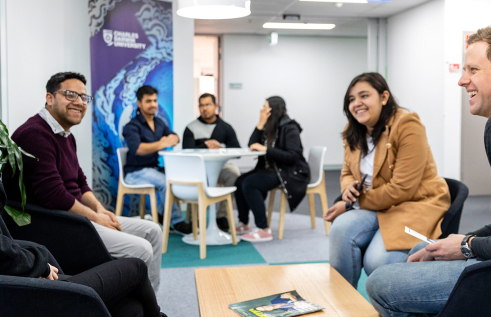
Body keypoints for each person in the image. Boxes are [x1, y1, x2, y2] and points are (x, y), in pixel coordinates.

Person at [365, 26, 491, 317]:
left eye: (473, 69)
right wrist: (463, 239)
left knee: (380, 282)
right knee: (423, 249)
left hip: (407, 207)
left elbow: (399, 189)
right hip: (385, 207)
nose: (461, 80)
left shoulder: (407, 125)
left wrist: (467, 245)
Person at [2, 72, 163, 292]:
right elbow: (54, 194)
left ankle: (150, 304)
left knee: (153, 231)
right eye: (70, 95)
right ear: (50, 98)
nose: (79, 102)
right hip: (61, 223)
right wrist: (95, 217)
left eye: (84, 97)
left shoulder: (66, 134)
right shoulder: (34, 134)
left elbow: (80, 181)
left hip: (79, 216)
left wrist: (100, 210)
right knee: (142, 248)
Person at [324, 72, 451, 288]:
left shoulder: (407, 124)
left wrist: (350, 204)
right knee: (340, 230)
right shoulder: (352, 130)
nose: (357, 104)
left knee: (378, 261)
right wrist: (348, 189)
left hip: (412, 204)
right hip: (378, 206)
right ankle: (342, 304)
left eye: (364, 96)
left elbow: (402, 190)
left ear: (384, 97)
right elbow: (347, 172)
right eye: (351, 99)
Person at [0, 180, 164, 317]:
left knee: (132, 308)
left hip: (24, 277)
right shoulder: (34, 141)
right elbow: (54, 194)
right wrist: (38, 264)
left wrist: (37, 256)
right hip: (19, 288)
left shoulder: (67, 139)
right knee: (137, 266)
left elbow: (81, 181)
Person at [234, 96, 310, 242]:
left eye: (265, 107)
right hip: (270, 169)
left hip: (287, 171)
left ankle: (263, 229)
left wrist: (266, 149)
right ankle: (243, 223)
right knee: (239, 181)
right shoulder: (269, 125)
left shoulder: (290, 127)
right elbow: (252, 144)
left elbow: (292, 156)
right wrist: (260, 123)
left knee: (250, 183)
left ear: (273, 110)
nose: (262, 110)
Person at [123, 85, 192, 235]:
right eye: (148, 101)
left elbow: (175, 137)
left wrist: (170, 139)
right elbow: (137, 149)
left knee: (176, 178)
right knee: (165, 183)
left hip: (153, 168)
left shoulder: (159, 122)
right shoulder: (131, 126)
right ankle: (177, 221)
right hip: (135, 172)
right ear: (139, 103)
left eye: (155, 100)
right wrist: (162, 143)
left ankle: (161, 215)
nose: (153, 104)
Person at [182, 93, 241, 231]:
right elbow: (186, 152)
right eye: (201, 105)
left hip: (220, 168)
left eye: (208, 104)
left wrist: (222, 147)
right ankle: (193, 219)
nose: (204, 108)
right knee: (193, 177)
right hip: (199, 169)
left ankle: (222, 216)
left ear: (215, 106)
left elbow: (237, 151)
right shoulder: (191, 128)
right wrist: (206, 146)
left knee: (234, 173)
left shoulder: (226, 127)